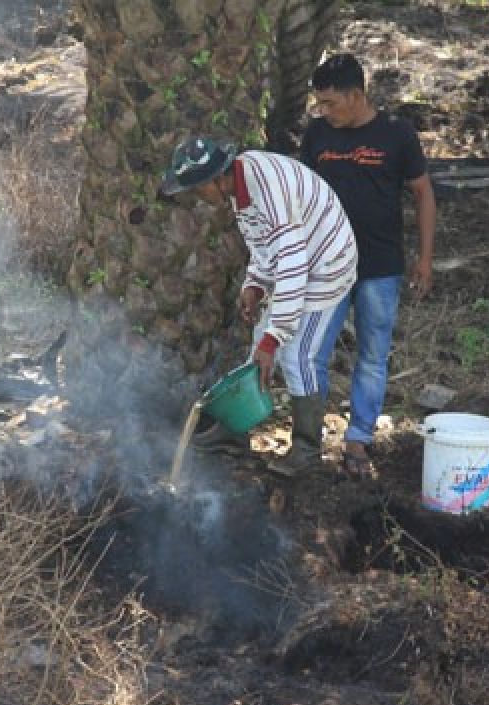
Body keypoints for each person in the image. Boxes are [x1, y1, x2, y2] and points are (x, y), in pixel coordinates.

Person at [160, 136, 358, 477]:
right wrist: (255, 283)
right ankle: (236, 435)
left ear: (217, 180)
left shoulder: (269, 191)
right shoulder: (240, 185)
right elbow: (266, 246)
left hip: (325, 268)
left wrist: (274, 337)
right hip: (298, 265)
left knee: (298, 356)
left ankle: (308, 449)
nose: (198, 199)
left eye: (197, 190)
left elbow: (294, 269)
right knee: (258, 350)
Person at [300, 54, 436, 480]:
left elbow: (423, 195)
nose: (323, 111)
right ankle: (306, 441)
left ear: (356, 95)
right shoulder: (317, 134)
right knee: (312, 354)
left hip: (379, 266)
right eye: (318, 103)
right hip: (325, 266)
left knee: (373, 356)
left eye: (331, 103)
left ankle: (359, 438)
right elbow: (300, 195)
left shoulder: (396, 135)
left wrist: (425, 258)